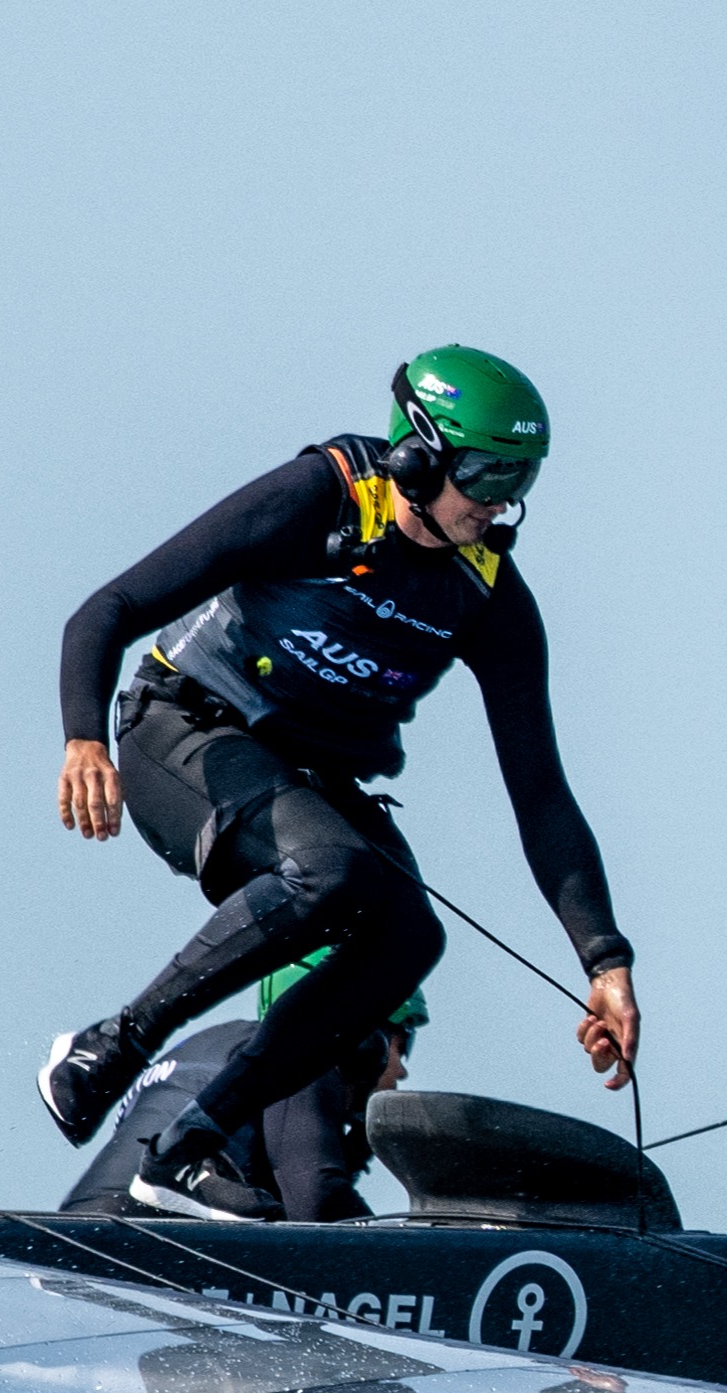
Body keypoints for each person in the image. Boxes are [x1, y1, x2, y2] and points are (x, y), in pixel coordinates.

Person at [37, 345, 637, 1220]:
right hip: (182, 734)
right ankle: (106, 1045)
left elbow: (541, 792)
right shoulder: (320, 497)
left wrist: (604, 960)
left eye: (521, 479)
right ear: (420, 453)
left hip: (307, 778)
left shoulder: (489, 594)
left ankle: (187, 1149)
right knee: (335, 871)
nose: (500, 500)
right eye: (484, 473)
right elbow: (108, 610)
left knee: (407, 939)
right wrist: (83, 739)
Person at [55, 964, 421, 1221]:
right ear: (364, 1035)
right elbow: (315, 1202)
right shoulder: (304, 1054)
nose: (402, 1069)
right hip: (143, 1249)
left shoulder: (219, 1042)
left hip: (76, 1237)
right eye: (402, 1046)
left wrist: (353, 1154)